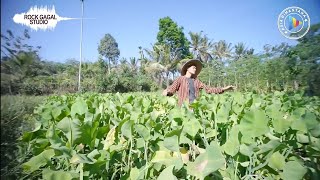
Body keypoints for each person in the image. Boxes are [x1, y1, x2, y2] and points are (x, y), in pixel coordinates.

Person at [162, 59, 236, 106]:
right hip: (183, 107)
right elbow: (172, 90)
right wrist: (167, 92)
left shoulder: (197, 81)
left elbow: (208, 90)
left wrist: (224, 89)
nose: (195, 69)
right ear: (188, 68)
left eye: (196, 68)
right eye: (193, 67)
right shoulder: (180, 79)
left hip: (194, 107)